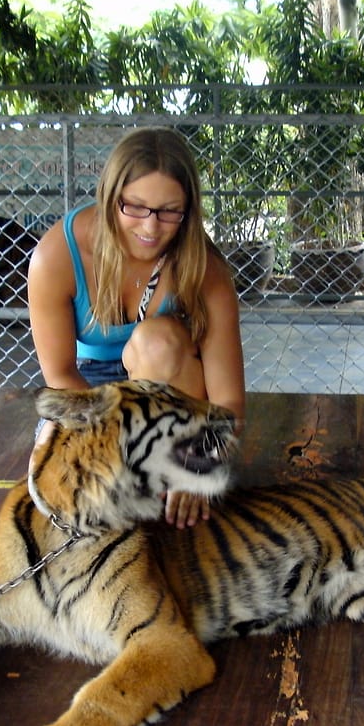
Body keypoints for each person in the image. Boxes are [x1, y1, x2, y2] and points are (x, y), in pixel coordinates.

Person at [27, 126, 246, 528]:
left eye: (169, 211)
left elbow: (229, 400)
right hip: (85, 386)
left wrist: (198, 465)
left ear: (189, 209)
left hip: (170, 382)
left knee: (156, 341)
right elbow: (59, 374)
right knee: (59, 486)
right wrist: (113, 447)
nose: (150, 227)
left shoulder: (205, 267)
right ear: (111, 197)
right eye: (135, 207)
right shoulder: (57, 253)